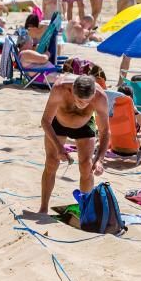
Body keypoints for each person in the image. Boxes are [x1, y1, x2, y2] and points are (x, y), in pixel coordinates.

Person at [38, 75, 110, 213]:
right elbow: (45, 121)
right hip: (58, 123)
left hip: (84, 124)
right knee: (52, 162)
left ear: (93, 94)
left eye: (86, 102)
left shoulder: (100, 97)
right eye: (78, 101)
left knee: (87, 166)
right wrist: (59, 148)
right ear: (71, 90)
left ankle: (86, 209)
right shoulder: (60, 88)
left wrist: (100, 160)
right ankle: (43, 208)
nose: (82, 104)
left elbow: (106, 131)